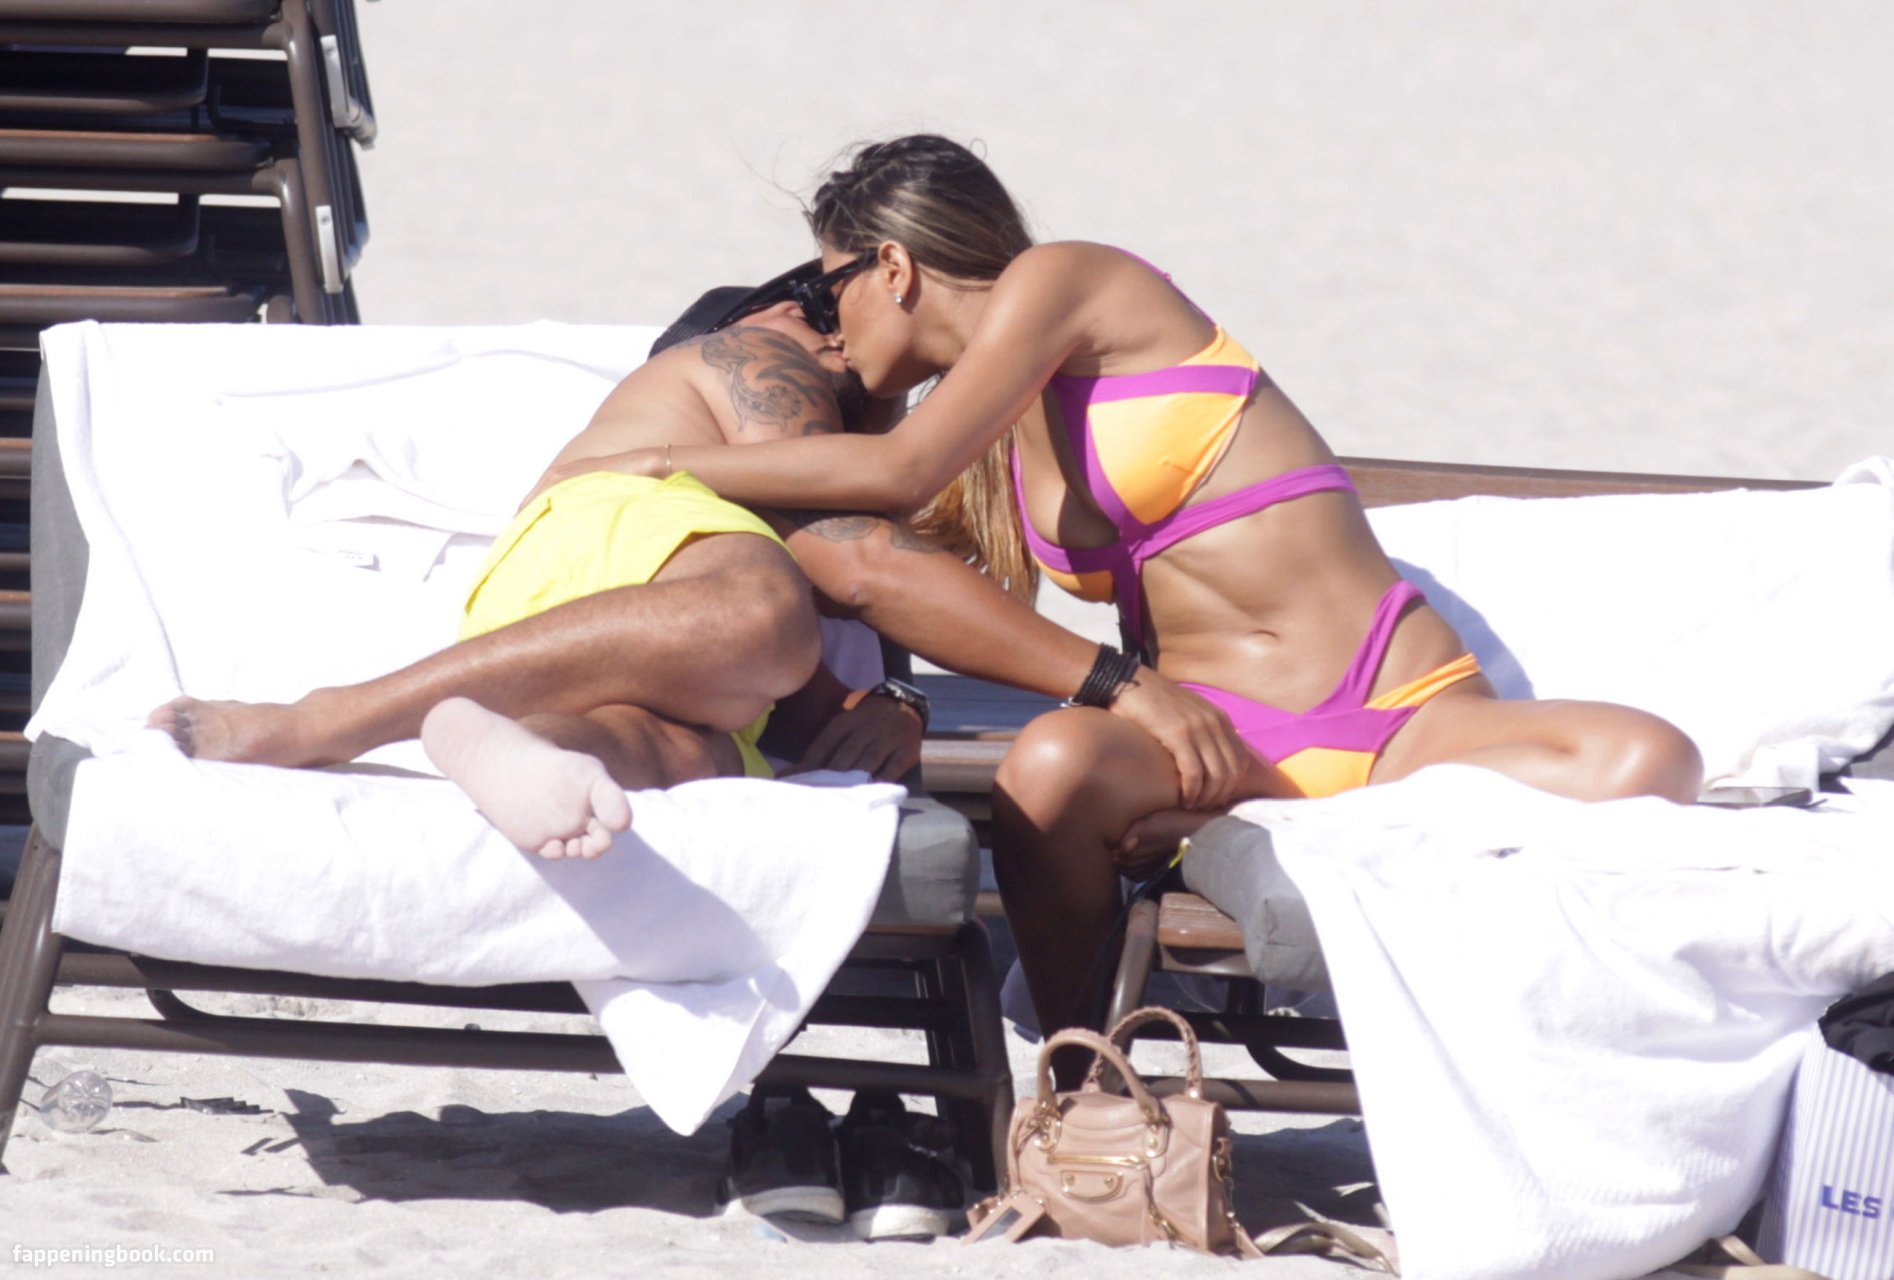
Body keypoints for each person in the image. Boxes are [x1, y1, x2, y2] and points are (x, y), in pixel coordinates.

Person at [549, 134, 1707, 1045]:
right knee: (1049, 761)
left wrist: (653, 461)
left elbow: (894, 472)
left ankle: (1240, 835)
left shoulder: (1073, 280)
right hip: (1216, 735)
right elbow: (879, 563)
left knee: (1646, 758)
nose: (833, 330)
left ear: (891, 266)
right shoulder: (992, 438)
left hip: (1396, 705)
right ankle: (1079, 1073)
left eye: (829, 285)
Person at [148, 270, 1247, 860]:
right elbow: (861, 568)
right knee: (759, 621)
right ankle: (330, 719)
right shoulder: (759, 351)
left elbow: (840, 636)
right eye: (832, 322)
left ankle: (522, 745)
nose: (851, 355)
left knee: (671, 754)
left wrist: (894, 703)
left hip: (606, 626)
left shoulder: (781, 474)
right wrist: (1110, 679)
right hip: (626, 540)